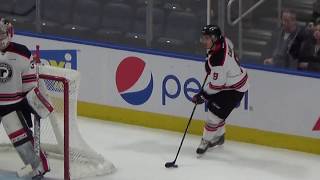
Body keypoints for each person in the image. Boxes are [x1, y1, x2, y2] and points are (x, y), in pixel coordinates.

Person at [0, 18, 52, 179]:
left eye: (2, 34)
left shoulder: (22, 53)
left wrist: (32, 103)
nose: (0, 38)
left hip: (12, 105)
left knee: (22, 142)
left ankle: (38, 167)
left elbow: (30, 84)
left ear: (10, 33)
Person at [192, 24, 249, 155]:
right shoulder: (224, 40)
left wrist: (203, 95)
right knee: (216, 110)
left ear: (214, 38)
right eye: (203, 38)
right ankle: (219, 137)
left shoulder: (218, 60)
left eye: (206, 38)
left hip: (234, 89)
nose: (203, 41)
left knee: (213, 115)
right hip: (232, 82)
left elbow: (217, 86)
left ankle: (206, 140)